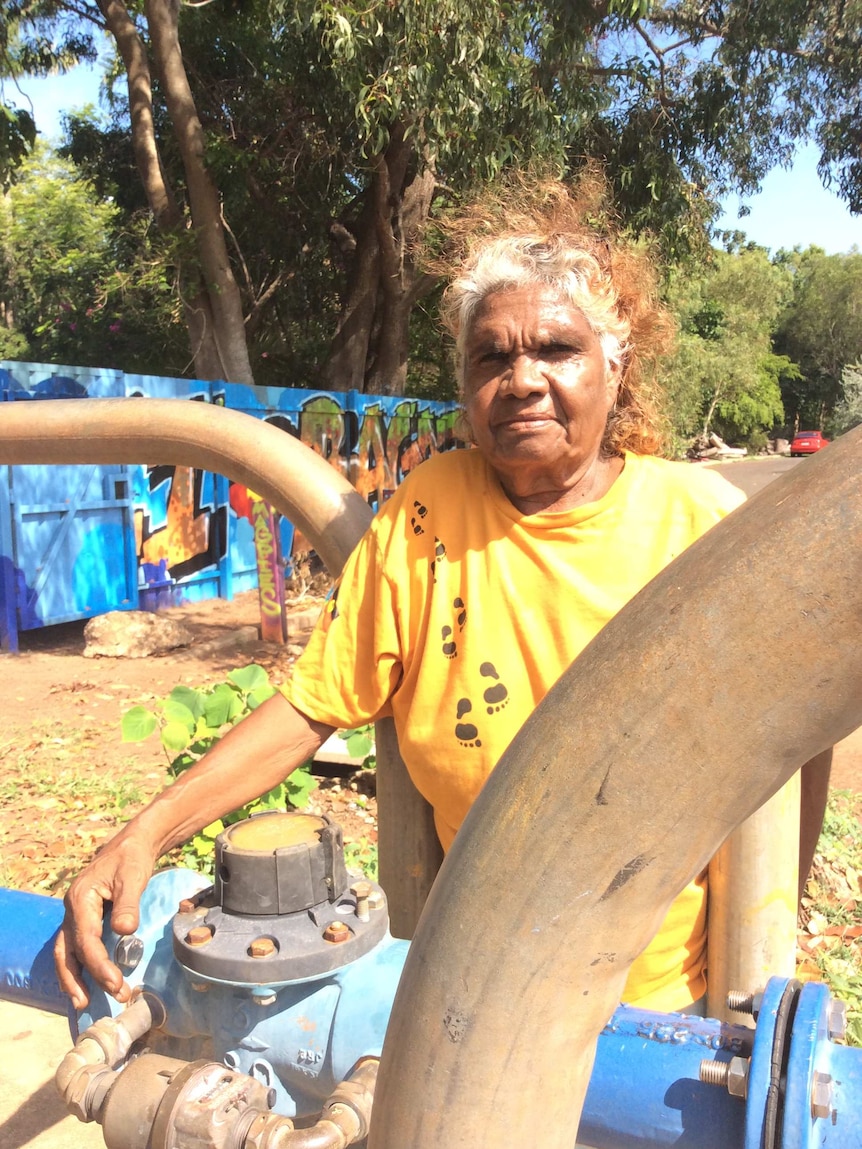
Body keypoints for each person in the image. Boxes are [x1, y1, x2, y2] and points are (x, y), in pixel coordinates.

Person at [55, 178, 829, 1015]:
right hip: (473, 991)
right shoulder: (426, 513)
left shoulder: (697, 524)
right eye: (491, 356)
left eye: (556, 350)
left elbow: (805, 723)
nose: (522, 379)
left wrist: (763, 939)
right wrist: (143, 835)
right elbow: (312, 705)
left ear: (616, 364)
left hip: (659, 1007)